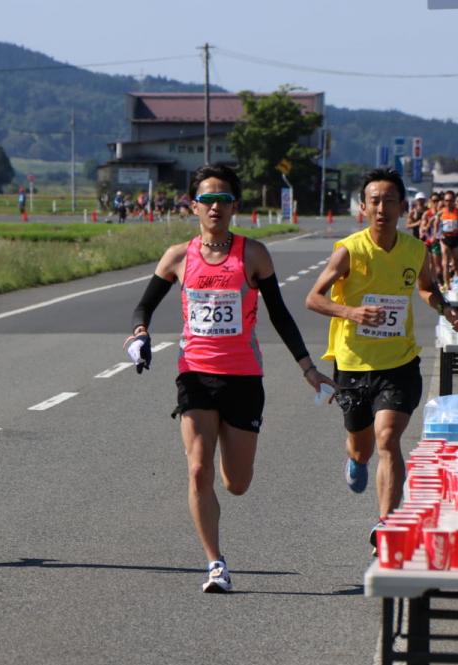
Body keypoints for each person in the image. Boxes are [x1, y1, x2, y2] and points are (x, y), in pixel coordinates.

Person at [125, 164, 335, 593]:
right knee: (197, 469)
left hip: (243, 378)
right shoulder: (178, 257)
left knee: (236, 484)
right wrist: (140, 333)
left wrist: (308, 369)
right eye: (207, 199)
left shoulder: (253, 254)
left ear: (235, 206)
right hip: (195, 376)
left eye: (223, 199)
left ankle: (228, 465)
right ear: (193, 205)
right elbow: (142, 308)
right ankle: (216, 564)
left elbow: (279, 314)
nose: (215, 206)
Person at [305, 167, 458, 548]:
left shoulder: (414, 249)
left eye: (389, 201)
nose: (382, 208)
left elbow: (426, 288)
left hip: (399, 362)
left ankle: (387, 525)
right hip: (354, 364)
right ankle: (356, 462)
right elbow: (313, 298)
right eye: (374, 201)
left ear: (403, 207)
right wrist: (352, 313)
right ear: (364, 207)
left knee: (388, 438)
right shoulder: (349, 250)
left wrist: (445, 309)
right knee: (361, 446)